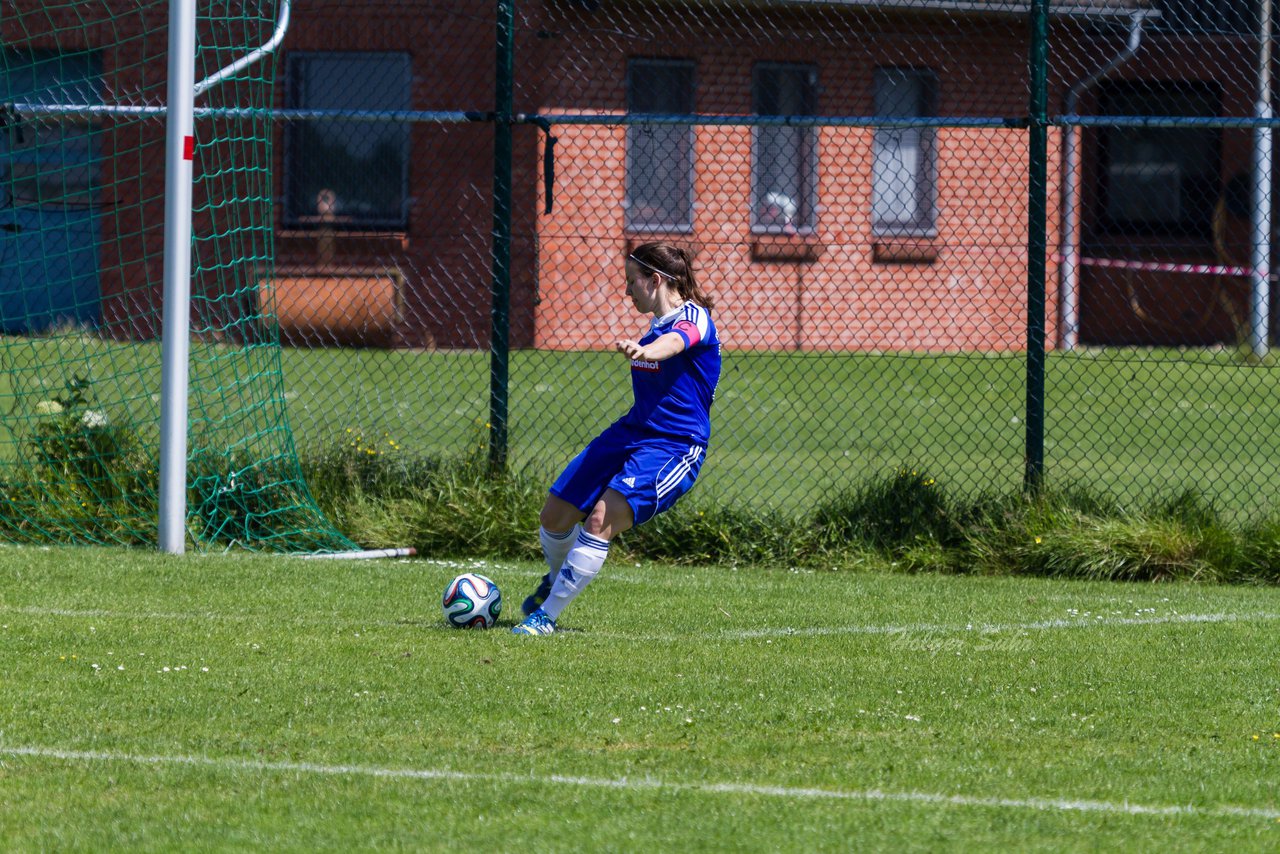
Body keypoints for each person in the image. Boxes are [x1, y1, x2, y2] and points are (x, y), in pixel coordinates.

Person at [512, 241, 722, 636]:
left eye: (631, 281)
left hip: (675, 446)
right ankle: (557, 585)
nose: (626, 291)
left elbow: (677, 342)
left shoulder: (694, 319)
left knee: (599, 520)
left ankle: (546, 618)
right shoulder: (657, 324)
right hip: (633, 431)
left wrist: (647, 351)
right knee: (554, 517)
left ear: (655, 280)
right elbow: (663, 340)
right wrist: (647, 346)